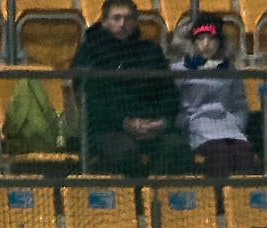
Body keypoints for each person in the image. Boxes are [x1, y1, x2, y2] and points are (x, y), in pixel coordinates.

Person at [71, 0, 191, 177]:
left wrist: (161, 122)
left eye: (127, 19)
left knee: (178, 149)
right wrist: (124, 122)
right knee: (125, 153)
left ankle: (155, 197)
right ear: (104, 21)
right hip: (107, 127)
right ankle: (133, 201)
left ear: (135, 22)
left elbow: (168, 93)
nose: (122, 24)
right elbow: (92, 98)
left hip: (152, 126)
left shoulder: (151, 51)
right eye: (116, 18)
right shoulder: (89, 53)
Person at [169, 16, 251, 180]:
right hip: (196, 125)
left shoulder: (229, 71)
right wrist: (182, 123)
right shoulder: (179, 70)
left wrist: (237, 123)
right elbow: (171, 104)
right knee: (220, 153)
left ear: (220, 42)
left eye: (211, 39)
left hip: (228, 126)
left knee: (244, 152)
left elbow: (239, 104)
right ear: (193, 42)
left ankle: (243, 203)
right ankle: (218, 201)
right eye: (200, 39)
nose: (206, 44)